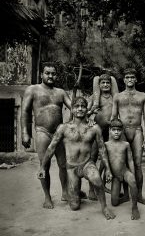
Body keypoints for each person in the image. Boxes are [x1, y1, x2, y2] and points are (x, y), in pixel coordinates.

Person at [37, 97, 116, 220]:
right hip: (71, 167)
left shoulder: (94, 128)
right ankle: (77, 193)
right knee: (74, 206)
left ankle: (104, 207)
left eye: (83, 106)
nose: (80, 109)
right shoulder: (63, 128)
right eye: (77, 106)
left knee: (97, 180)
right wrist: (42, 167)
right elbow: (51, 148)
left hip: (87, 163)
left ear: (87, 109)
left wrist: (108, 170)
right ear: (72, 109)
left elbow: (102, 149)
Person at [21, 62, 85, 209]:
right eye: (47, 73)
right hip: (42, 132)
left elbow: (75, 108)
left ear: (56, 75)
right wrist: (25, 132)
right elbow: (24, 111)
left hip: (59, 132)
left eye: (53, 73)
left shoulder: (60, 92)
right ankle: (47, 197)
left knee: (64, 164)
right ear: (41, 74)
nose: (50, 76)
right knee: (45, 165)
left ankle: (65, 193)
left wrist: (87, 114)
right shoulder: (33, 90)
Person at [111, 68, 145, 206]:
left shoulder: (143, 96)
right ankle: (127, 194)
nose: (129, 79)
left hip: (137, 130)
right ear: (124, 80)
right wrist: (112, 138)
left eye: (132, 77)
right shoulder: (118, 96)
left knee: (138, 164)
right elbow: (113, 117)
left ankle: (139, 195)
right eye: (127, 77)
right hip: (122, 131)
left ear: (136, 79)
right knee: (123, 164)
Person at [87, 74, 118, 200]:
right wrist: (90, 115)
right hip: (97, 130)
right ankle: (91, 189)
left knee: (108, 158)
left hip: (109, 132)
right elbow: (85, 112)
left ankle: (103, 184)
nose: (105, 85)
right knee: (93, 158)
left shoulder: (114, 98)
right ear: (99, 85)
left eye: (107, 83)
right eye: (103, 83)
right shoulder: (95, 98)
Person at [105, 119, 140, 220]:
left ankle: (134, 207)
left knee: (132, 181)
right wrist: (104, 178)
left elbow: (130, 161)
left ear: (122, 130)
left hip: (124, 172)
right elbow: (104, 163)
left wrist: (132, 174)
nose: (116, 132)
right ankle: (125, 196)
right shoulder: (106, 145)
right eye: (114, 130)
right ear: (110, 130)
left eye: (119, 130)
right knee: (114, 203)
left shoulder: (126, 144)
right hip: (115, 176)